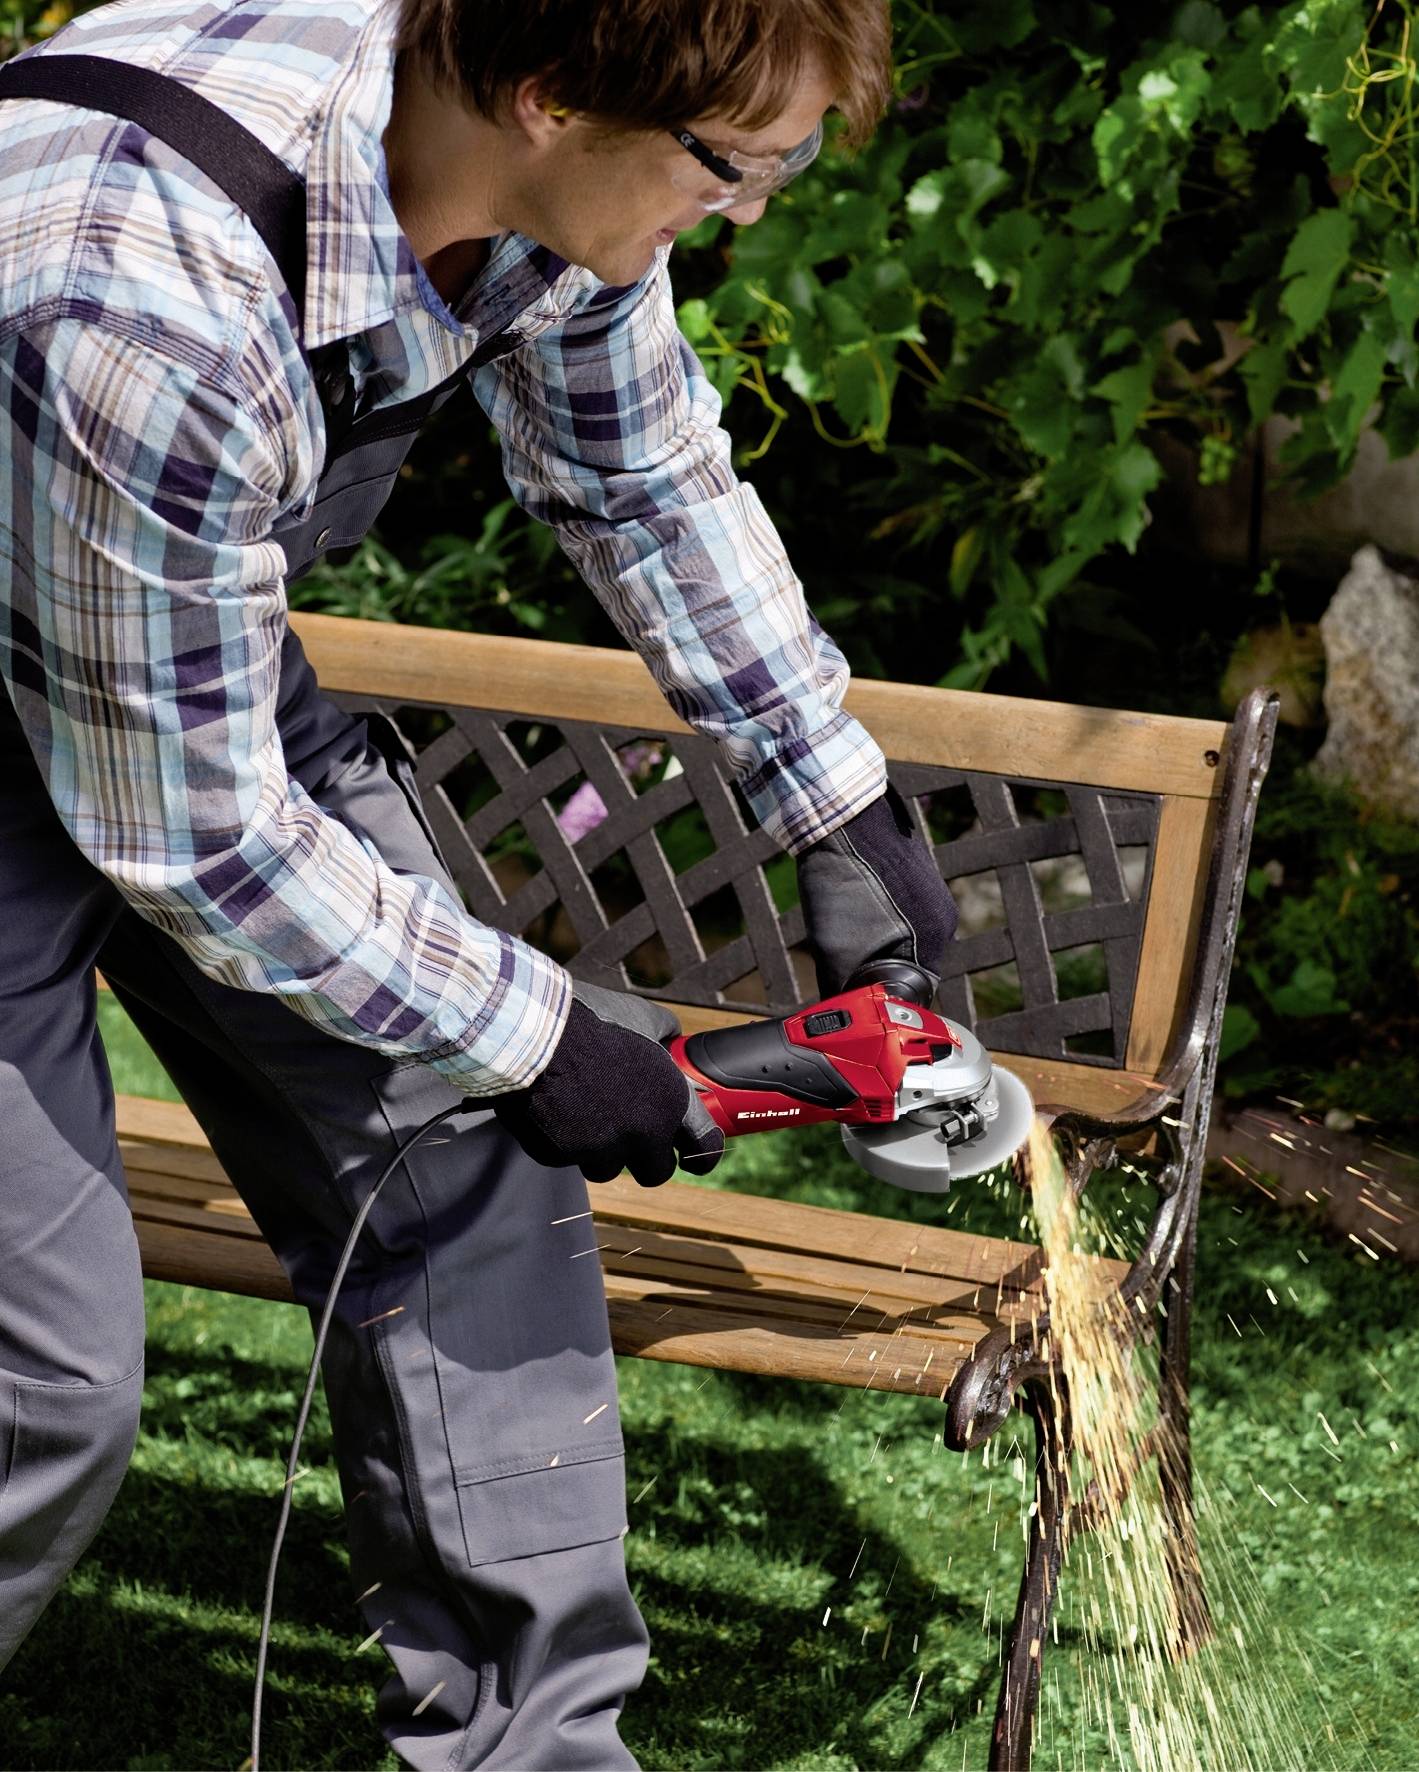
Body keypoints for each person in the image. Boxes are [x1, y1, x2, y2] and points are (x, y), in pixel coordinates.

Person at [0, 0, 955, 1763]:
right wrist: (541, 1032)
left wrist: (840, 806)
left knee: (465, 1167)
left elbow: (639, 471)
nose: (750, 213)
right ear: (547, 96)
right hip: (105, 689)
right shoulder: (146, 291)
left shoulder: (530, 167)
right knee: (39, 1388)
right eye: (737, 170)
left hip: (158, 649)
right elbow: (203, 846)